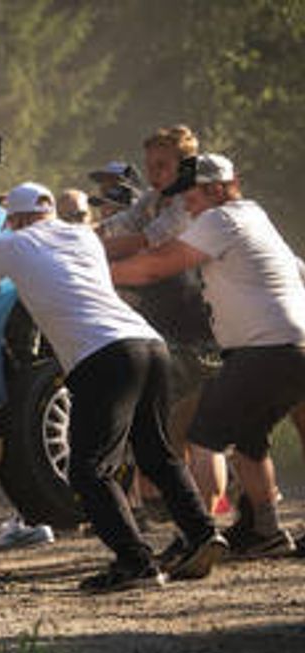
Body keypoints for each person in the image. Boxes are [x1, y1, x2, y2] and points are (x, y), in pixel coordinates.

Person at [0, 182, 225, 593]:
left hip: (103, 355)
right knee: (156, 452)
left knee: (90, 469)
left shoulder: (14, 243)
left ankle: (135, 563)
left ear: (16, 219)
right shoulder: (82, 236)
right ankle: (202, 533)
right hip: (148, 344)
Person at [111, 153, 305, 559]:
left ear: (216, 189)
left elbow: (156, 267)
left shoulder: (221, 219)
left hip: (264, 349)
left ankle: (197, 535)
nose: (186, 203)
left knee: (203, 435)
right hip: (289, 346)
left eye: (191, 195)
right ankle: (265, 530)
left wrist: (93, 273)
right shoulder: (254, 215)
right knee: (249, 439)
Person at [98, 124, 228, 516]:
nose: (153, 174)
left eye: (162, 166)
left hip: (197, 324)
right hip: (168, 323)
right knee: (175, 427)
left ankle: (206, 516)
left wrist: (86, 249)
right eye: (150, 165)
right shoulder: (156, 198)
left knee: (200, 432)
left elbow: (148, 240)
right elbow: (121, 223)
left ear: (184, 167)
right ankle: (187, 512)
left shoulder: (186, 207)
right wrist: (80, 235)